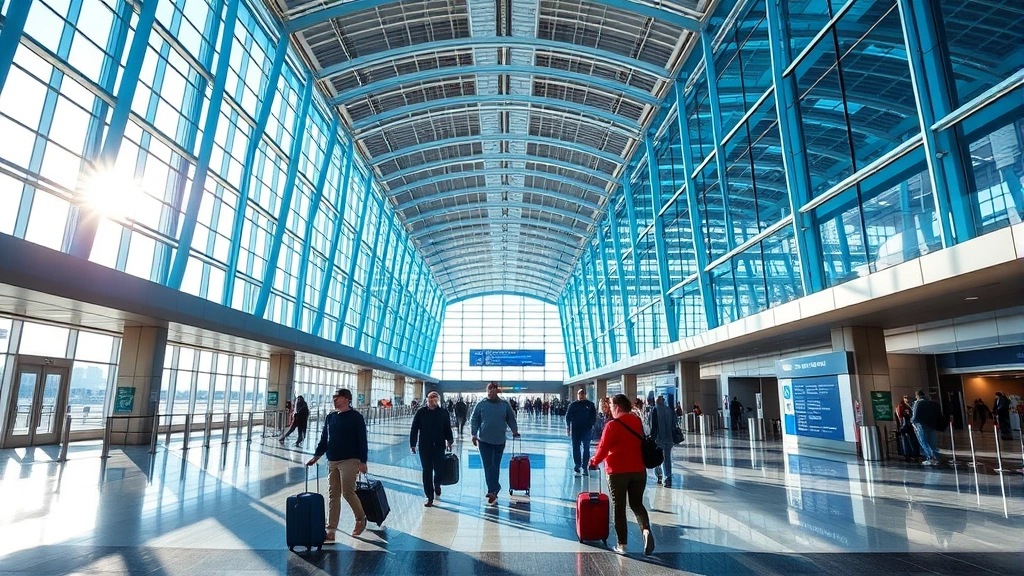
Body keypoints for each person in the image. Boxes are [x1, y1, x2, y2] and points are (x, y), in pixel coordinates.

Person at [590, 394, 655, 556]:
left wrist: (593, 461)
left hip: (617, 472)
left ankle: (622, 545)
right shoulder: (637, 421)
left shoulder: (612, 425)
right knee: (637, 504)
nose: (610, 409)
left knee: (619, 508)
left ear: (617, 406)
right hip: (639, 470)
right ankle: (646, 530)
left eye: (611, 406)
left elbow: (603, 449)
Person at [306, 388, 368, 543]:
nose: (334, 400)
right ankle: (331, 530)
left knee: (348, 492)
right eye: (333, 398)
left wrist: (363, 461)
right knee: (334, 495)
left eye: (337, 398)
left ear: (347, 399)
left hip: (350, 460)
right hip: (333, 460)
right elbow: (324, 439)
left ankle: (361, 518)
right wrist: (316, 456)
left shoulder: (356, 417)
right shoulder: (330, 417)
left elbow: (362, 440)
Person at [470, 382, 520, 505]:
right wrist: (474, 434)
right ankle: (493, 489)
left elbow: (511, 418)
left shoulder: (504, 405)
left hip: (499, 440)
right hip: (484, 440)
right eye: (489, 389)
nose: (492, 391)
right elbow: (474, 419)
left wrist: (515, 431)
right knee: (488, 465)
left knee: (495, 465)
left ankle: (493, 489)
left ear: (497, 391)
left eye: (494, 389)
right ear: (487, 391)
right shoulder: (481, 404)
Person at [410, 391, 454, 507]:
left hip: (439, 445)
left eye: (434, 398)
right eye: (430, 398)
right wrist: (412, 444)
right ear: (427, 400)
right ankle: (429, 496)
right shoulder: (421, 412)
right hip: (425, 446)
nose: (432, 400)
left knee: (439, 468)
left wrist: (449, 440)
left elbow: (447, 428)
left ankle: (437, 484)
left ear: (438, 400)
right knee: (427, 470)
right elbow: (414, 428)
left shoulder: (443, 413)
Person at [565, 389, 598, 477]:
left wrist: (591, 424)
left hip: (586, 429)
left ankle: (584, 466)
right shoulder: (573, 405)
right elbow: (568, 417)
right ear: (577, 395)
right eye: (579, 394)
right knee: (576, 447)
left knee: (586, 447)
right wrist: (568, 427)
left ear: (585, 395)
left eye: (582, 394)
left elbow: (593, 416)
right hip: (576, 429)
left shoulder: (590, 405)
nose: (581, 395)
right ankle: (577, 464)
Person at [911, 390, 942, 466]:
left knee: (923, 442)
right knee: (932, 443)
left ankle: (929, 458)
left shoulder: (917, 403)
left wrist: (912, 421)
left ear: (917, 396)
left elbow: (915, 416)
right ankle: (936, 459)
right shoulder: (930, 403)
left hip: (921, 425)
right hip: (931, 425)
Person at [649, 396, 675, 487]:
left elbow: (652, 425)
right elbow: (674, 423)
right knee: (667, 458)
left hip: (659, 438)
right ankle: (668, 476)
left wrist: (651, 438)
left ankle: (660, 476)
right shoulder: (669, 410)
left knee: (659, 458)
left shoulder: (654, 410)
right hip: (669, 438)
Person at [895, 395, 920, 461]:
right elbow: (900, 417)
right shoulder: (901, 407)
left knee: (912, 440)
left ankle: (913, 454)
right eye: (905, 397)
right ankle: (908, 455)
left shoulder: (910, 406)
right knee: (907, 441)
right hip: (905, 426)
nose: (907, 399)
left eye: (908, 397)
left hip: (910, 426)